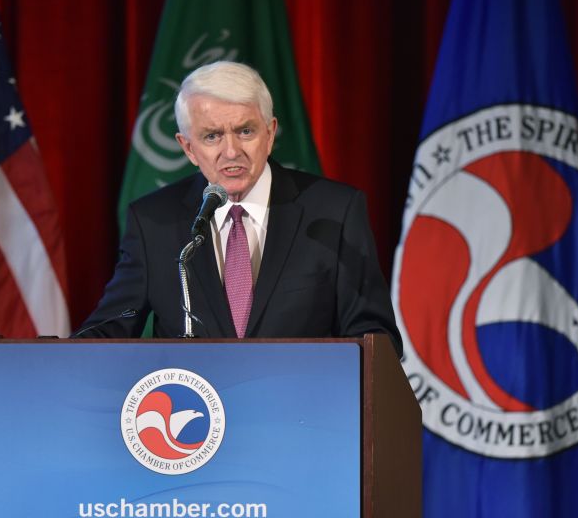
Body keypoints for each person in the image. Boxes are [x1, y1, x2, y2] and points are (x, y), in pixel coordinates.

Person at [73, 61, 401, 356]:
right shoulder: (153, 222)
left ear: (270, 133)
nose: (231, 152)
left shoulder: (334, 211)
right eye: (212, 136)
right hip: (202, 419)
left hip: (300, 416)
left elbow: (375, 336)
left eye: (245, 131)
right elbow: (113, 326)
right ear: (188, 148)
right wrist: (47, 363)